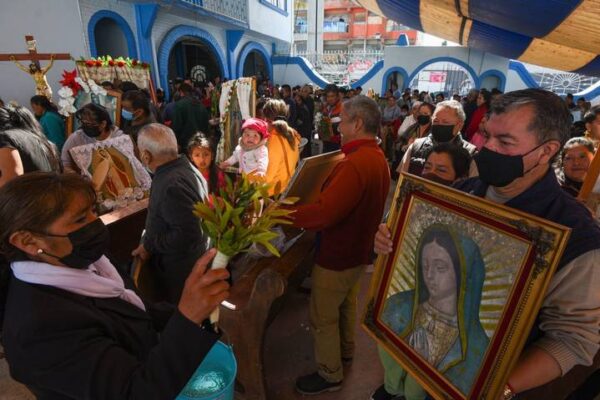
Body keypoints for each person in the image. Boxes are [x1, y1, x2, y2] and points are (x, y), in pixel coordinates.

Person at [374, 88, 600, 399]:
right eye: (486, 135)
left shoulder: (574, 233)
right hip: (418, 366)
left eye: (504, 142)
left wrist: (495, 387)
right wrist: (391, 244)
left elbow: (573, 339)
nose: (486, 149)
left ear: (546, 151)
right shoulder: (462, 192)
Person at [0, 172, 230, 399]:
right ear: (27, 241)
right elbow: (136, 392)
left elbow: (139, 312)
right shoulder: (40, 329)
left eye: (93, 211)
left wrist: (196, 311)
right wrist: (187, 318)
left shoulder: (86, 261)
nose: (95, 223)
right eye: (80, 219)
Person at [292, 96, 390, 395]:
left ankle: (330, 373)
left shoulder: (356, 163)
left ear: (358, 123)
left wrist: (283, 212)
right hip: (358, 252)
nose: (340, 125)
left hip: (339, 253)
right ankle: (345, 352)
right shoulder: (376, 158)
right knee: (345, 305)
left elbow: (325, 213)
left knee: (323, 315)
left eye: (343, 120)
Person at [381, 224, 489, 396]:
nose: (429, 275)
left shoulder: (478, 344)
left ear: (463, 273)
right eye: (424, 266)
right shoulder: (398, 307)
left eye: (440, 268)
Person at [132, 124, 210, 303]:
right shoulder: (184, 167)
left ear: (146, 155)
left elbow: (188, 234)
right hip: (191, 262)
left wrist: (151, 244)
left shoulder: (170, 185)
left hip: (179, 272)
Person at [398, 100, 476, 176]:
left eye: (445, 122)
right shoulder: (416, 146)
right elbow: (402, 177)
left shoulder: (470, 154)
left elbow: (470, 186)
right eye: (436, 121)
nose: (439, 125)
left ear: (459, 125)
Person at [0, 106, 61, 188]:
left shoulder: (5, 138)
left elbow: (9, 183)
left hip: (24, 199)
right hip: (50, 196)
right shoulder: (46, 143)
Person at [61, 103, 124, 173]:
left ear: (103, 124)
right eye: (82, 122)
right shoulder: (77, 137)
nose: (84, 127)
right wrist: (73, 174)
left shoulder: (119, 139)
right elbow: (66, 164)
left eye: (88, 124)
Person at [262, 99, 301, 196]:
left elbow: (268, 177)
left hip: (273, 192)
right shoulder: (291, 134)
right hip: (287, 186)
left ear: (266, 119)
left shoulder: (274, 139)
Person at [172, 83, 209, 152]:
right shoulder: (201, 104)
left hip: (186, 144)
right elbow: (207, 124)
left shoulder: (179, 105)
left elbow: (176, 126)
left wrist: (176, 142)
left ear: (181, 92)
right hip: (201, 142)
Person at [322, 84, 343, 152]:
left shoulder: (343, 108)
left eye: (332, 96)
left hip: (339, 146)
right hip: (326, 143)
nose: (330, 99)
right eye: (328, 96)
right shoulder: (326, 108)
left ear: (337, 96)